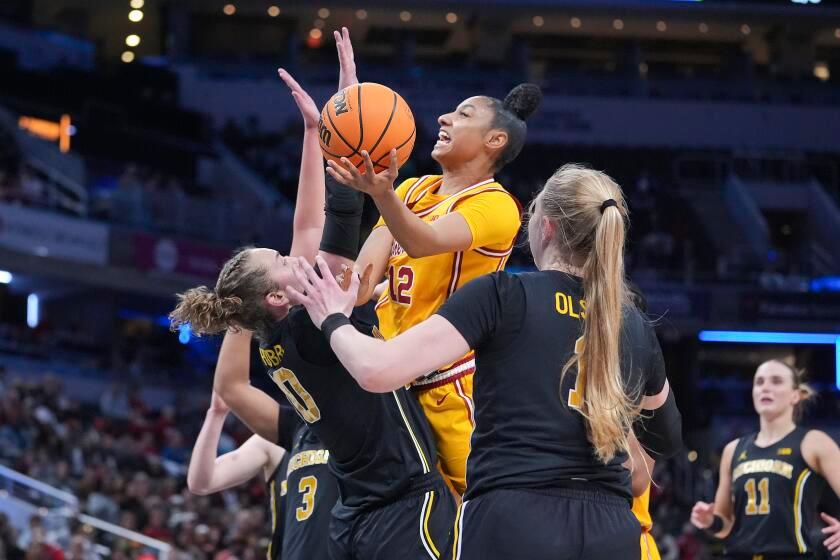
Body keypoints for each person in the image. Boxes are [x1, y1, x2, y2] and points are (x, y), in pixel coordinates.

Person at [287, 163, 684, 560]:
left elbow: (377, 371)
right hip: (611, 529)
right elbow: (666, 437)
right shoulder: (631, 323)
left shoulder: (504, 294)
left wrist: (331, 318)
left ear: (545, 227)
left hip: (515, 519)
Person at [170, 36, 455, 560]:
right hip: (401, 496)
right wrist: (348, 117)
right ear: (280, 294)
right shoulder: (314, 321)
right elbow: (338, 218)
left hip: (359, 503)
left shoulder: (279, 337)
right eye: (282, 260)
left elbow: (308, 225)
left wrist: (318, 128)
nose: (294, 256)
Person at [328, 60, 540, 495]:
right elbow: (361, 286)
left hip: (451, 384)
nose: (444, 117)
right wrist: (350, 144)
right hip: (391, 377)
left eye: (463, 114)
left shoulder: (498, 206)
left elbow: (424, 240)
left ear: (494, 140)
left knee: (472, 508)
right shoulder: (411, 190)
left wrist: (382, 195)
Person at [690, 360, 840, 559]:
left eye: (776, 381)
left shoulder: (813, 442)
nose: (765, 388)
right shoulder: (733, 449)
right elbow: (725, 525)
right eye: (759, 382)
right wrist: (710, 521)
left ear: (795, 395)